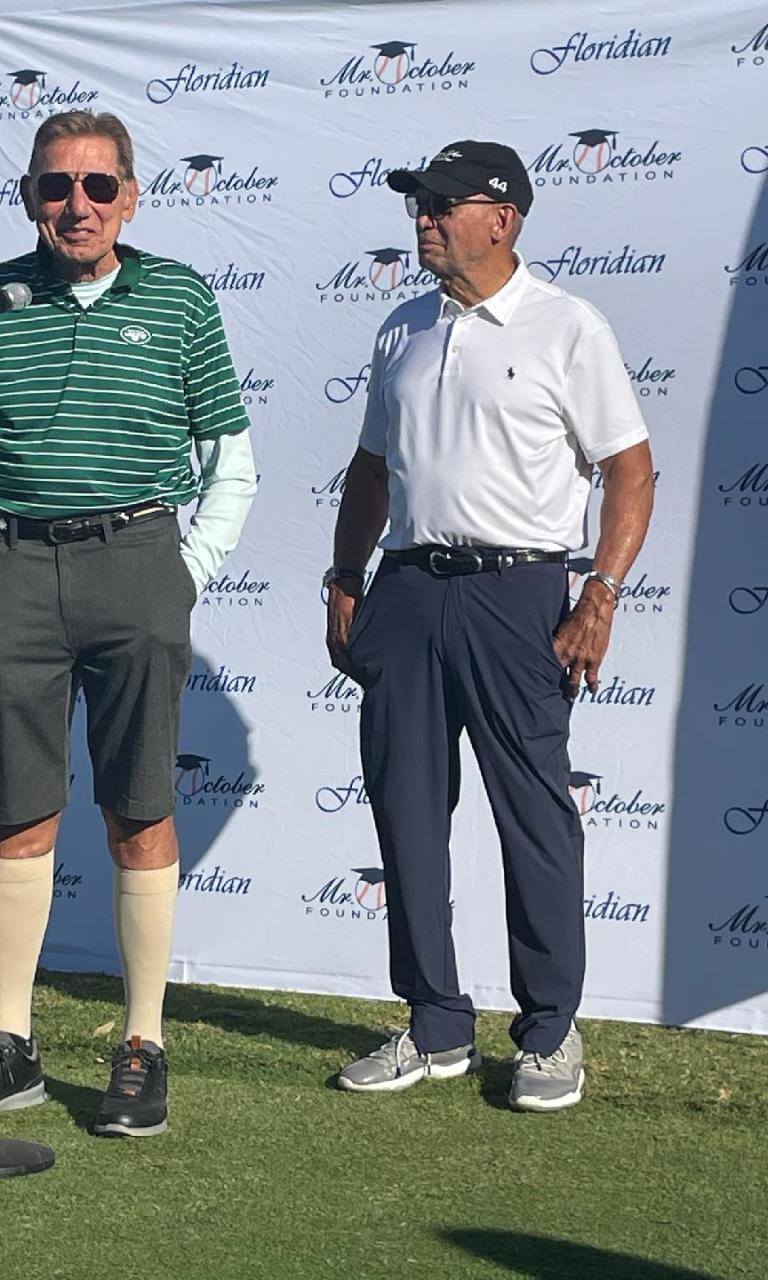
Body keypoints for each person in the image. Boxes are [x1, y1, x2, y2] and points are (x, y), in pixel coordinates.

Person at [0, 110, 256, 1137]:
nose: (79, 204)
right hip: (7, 565)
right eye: (57, 186)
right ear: (28, 197)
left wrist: (181, 575)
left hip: (138, 561)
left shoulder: (182, 300)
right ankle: (7, 1047)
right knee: (18, 812)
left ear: (132, 197)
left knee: (140, 808)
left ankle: (141, 1043)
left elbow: (229, 458)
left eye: (100, 186)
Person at [324, 141, 654, 1111]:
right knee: (406, 808)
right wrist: (347, 575)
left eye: (440, 203)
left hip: (519, 596)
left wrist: (600, 591)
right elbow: (370, 473)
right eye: (417, 204)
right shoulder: (403, 328)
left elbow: (630, 470)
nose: (421, 218)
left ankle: (550, 1029)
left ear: (502, 217)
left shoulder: (566, 327)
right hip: (407, 589)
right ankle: (435, 1020)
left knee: (535, 812)